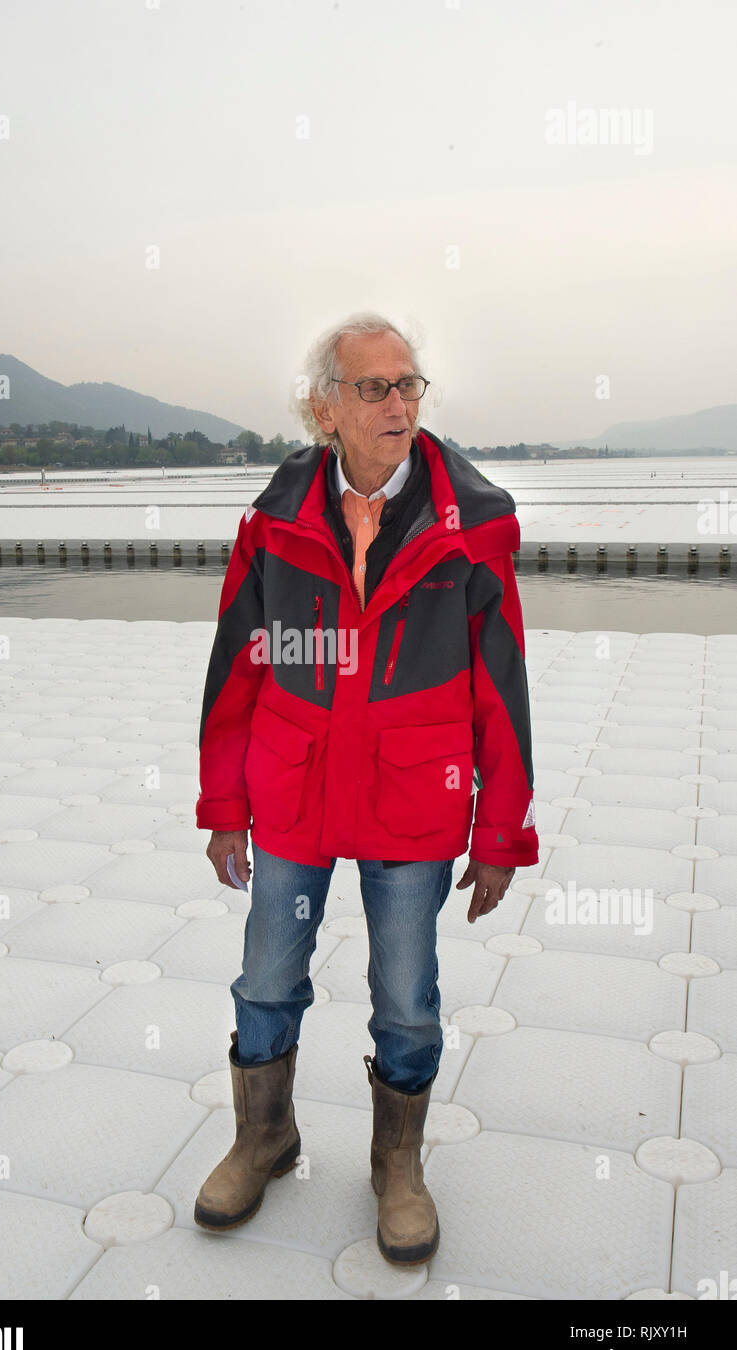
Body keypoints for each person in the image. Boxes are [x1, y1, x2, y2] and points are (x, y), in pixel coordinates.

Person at [192, 311, 538, 1265]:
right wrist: (223, 803)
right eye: (374, 387)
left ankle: (398, 1167)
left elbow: (500, 688)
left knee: (406, 993)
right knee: (266, 979)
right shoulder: (273, 517)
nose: (398, 403)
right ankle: (264, 1135)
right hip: (293, 790)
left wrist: (500, 830)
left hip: (412, 800)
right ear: (323, 408)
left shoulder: (474, 522)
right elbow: (237, 668)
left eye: (409, 384)